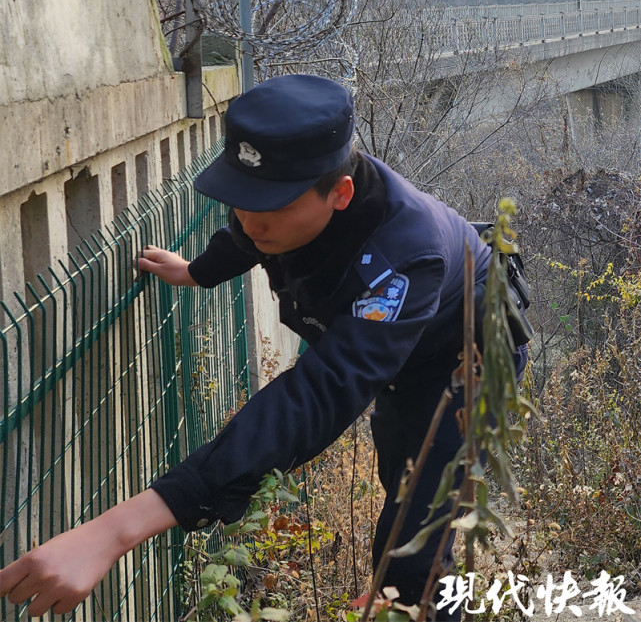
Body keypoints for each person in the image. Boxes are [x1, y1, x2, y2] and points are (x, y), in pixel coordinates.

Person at [0, 74, 528, 619]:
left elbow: (320, 393)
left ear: (340, 193)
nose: (251, 222)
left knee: (421, 537)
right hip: (399, 356)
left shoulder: (406, 258)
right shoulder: (283, 207)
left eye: (270, 207)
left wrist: (115, 531)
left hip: (467, 359)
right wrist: (198, 273)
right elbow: (246, 235)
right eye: (240, 199)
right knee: (400, 476)